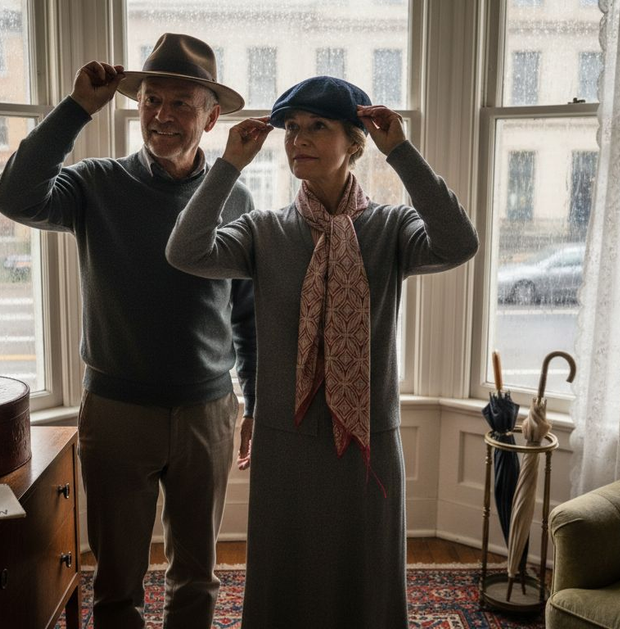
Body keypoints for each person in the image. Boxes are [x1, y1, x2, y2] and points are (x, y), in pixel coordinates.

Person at [166, 76, 479, 628]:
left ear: (355, 142)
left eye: (317, 127)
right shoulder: (263, 231)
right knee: (284, 585)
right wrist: (229, 166)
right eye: (291, 128)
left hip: (367, 442)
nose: (297, 140)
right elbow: (186, 250)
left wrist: (402, 153)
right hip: (286, 445)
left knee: (367, 582)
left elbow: (458, 242)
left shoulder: (392, 227)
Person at [0, 33, 257, 629]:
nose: (162, 116)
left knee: (197, 578)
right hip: (116, 412)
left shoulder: (232, 195)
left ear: (211, 117)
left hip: (207, 413)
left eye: (181, 104)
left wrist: (255, 401)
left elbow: (247, 312)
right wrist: (78, 108)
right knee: (116, 582)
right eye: (151, 101)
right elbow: (13, 196)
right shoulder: (95, 185)